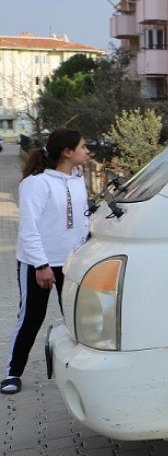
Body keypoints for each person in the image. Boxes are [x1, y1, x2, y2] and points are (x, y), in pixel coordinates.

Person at [4, 129, 92, 395]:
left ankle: (79, 372)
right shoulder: (36, 183)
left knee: (75, 317)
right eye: (83, 146)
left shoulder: (78, 178)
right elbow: (28, 229)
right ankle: (12, 373)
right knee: (31, 317)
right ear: (67, 152)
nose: (87, 151)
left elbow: (82, 220)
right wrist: (41, 265)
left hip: (71, 262)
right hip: (37, 263)